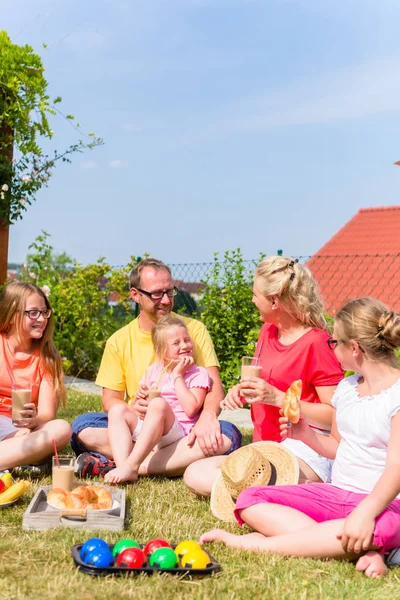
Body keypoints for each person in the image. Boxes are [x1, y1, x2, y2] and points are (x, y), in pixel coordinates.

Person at [200, 298, 400, 579]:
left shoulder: (396, 395)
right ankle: (360, 546)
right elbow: (339, 448)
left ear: (353, 348)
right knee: (250, 499)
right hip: (337, 496)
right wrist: (305, 435)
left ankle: (259, 545)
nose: (332, 348)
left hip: (386, 504)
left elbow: (395, 469)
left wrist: (365, 514)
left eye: (335, 343)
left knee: (385, 525)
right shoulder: (348, 388)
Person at [184, 255, 343, 496]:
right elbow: (264, 383)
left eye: (255, 295)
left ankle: (289, 491)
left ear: (274, 301)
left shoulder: (317, 343)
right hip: (265, 447)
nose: (252, 300)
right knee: (195, 474)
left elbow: (336, 417)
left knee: (254, 482)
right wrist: (242, 391)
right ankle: (276, 493)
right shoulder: (268, 331)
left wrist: (280, 399)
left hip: (307, 450)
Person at [71, 258, 241, 478]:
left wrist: (208, 417)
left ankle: (128, 465)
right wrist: (134, 408)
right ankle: (159, 461)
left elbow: (215, 388)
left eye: (170, 292)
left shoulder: (193, 331)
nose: (166, 300)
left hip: (183, 428)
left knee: (227, 433)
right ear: (135, 295)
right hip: (142, 425)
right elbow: (110, 401)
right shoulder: (119, 340)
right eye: (157, 294)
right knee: (81, 427)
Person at [105, 316, 211, 483]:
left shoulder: (198, 373)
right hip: (152, 429)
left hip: (178, 432)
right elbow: (142, 402)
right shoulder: (154, 371)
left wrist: (178, 376)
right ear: (162, 351)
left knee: (159, 404)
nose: (184, 346)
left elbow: (191, 408)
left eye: (187, 340)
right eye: (176, 343)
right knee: (117, 410)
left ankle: (132, 465)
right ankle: (123, 466)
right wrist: (138, 400)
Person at [0, 282, 71, 471]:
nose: (41, 318)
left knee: (61, 429)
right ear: (13, 314)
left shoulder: (47, 357)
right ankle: (18, 458)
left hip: (21, 431)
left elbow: (47, 414)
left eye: (44, 312)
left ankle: (10, 457)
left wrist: (35, 420)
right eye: (33, 312)